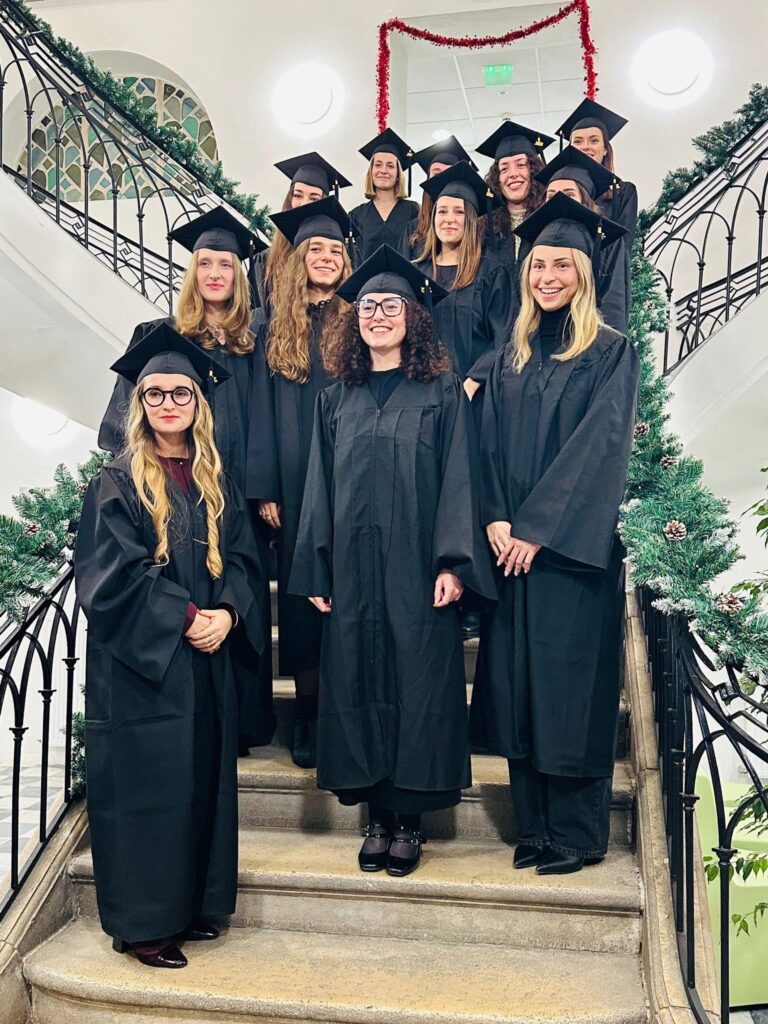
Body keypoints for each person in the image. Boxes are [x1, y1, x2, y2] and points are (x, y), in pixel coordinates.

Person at [288, 245, 496, 877]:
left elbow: (460, 478)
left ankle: (409, 820)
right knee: (357, 677)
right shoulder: (335, 399)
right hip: (353, 568)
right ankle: (375, 817)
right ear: (355, 320)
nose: (378, 316)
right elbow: (318, 486)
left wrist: (453, 563)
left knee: (417, 681)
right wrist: (317, 566)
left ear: (413, 317)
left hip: (416, 565)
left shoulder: (441, 392)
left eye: (391, 306)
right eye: (369, 306)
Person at [74, 324, 266, 967]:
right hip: (144, 671)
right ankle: (147, 926)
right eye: (154, 394)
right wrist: (186, 616)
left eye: (180, 393)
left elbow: (243, 559)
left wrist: (228, 613)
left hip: (204, 662)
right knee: (148, 793)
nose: (167, 404)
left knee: (200, 784)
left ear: (197, 403)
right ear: (139, 403)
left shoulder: (215, 479)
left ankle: (192, 907)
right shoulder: (116, 481)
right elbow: (111, 575)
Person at [477, 194, 639, 876]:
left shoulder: (610, 352)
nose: (547, 276)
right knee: (521, 690)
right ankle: (535, 827)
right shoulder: (508, 357)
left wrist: (536, 529)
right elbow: (483, 444)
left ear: (583, 273)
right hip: (510, 550)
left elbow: (598, 450)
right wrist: (494, 518)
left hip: (568, 557)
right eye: (538, 265)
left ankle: (576, 834)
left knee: (569, 692)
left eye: (561, 265)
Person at [98, 206, 275, 755]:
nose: (215, 273)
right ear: (192, 272)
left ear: (239, 275)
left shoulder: (254, 343)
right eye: (205, 263)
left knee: (234, 595)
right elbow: (125, 424)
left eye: (226, 264)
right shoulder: (161, 338)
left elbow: (267, 421)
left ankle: (235, 725)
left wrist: (262, 489)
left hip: (232, 496)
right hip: (170, 492)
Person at [247, 197, 352, 769]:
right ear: (300, 259)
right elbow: (261, 410)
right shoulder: (272, 327)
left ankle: (342, 710)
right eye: (317, 249)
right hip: (292, 482)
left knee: (348, 594)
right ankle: (308, 714)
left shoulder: (358, 320)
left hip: (350, 477)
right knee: (301, 603)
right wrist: (265, 486)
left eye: (336, 250)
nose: (327, 257)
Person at [413, 160, 514, 397]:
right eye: (442, 211)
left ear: (471, 219)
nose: (449, 219)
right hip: (421, 394)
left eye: (459, 212)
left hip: (474, 394)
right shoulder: (415, 273)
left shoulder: (491, 274)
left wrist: (473, 381)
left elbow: (504, 336)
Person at [556, 98, 638, 331]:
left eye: (593, 140)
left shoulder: (622, 192)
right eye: (578, 141)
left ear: (605, 149)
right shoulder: (558, 192)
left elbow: (622, 248)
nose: (586, 146)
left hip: (604, 284)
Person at [534, 145, 630, 332]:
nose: (558, 199)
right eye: (551, 195)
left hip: (590, 335)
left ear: (585, 199)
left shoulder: (607, 239)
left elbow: (614, 303)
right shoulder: (538, 237)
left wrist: (607, 344)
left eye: (569, 194)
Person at [254, 152, 351, 310]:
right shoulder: (266, 260)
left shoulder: (340, 256)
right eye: (298, 195)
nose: (304, 203)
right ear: (289, 199)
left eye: (314, 198)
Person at [475, 121, 555, 280]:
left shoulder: (550, 221)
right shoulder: (484, 228)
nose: (512, 174)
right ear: (497, 178)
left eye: (521, 165)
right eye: (504, 168)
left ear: (533, 171)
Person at [349, 129, 420, 266]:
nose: (383, 170)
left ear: (398, 174)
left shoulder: (414, 211)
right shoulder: (356, 216)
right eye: (378, 165)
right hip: (366, 279)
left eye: (390, 166)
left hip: (404, 279)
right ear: (371, 171)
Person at [407, 136, 476, 259]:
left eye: (450, 173)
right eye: (436, 174)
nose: (442, 178)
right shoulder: (412, 228)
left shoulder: (473, 224)